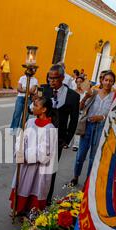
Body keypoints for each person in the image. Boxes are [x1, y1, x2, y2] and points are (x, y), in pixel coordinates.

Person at [10, 96, 57, 217]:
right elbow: (21, 139)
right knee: (22, 186)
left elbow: (44, 153)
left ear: (44, 109)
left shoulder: (50, 129)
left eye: (36, 105)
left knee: (35, 188)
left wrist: (25, 155)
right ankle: (19, 208)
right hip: (24, 164)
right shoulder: (30, 122)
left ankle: (31, 213)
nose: (32, 107)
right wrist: (19, 151)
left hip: (38, 169)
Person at [39, 64, 80, 204]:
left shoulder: (73, 96)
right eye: (50, 78)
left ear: (62, 78)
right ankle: (34, 197)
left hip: (59, 138)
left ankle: (46, 200)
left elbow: (74, 120)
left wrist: (67, 139)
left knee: (51, 170)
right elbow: (35, 110)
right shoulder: (44, 90)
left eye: (55, 78)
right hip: (41, 136)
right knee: (37, 166)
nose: (51, 81)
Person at [69, 70, 115, 187]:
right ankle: (75, 176)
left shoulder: (114, 97)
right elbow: (80, 107)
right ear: (102, 80)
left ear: (113, 83)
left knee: (93, 157)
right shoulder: (93, 92)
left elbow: (113, 115)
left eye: (111, 81)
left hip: (101, 128)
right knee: (81, 155)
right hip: (88, 126)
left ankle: (88, 182)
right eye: (106, 80)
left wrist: (102, 117)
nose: (108, 83)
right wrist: (85, 98)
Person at [70, 74, 91, 151]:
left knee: (78, 128)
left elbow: (86, 103)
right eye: (77, 82)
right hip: (72, 111)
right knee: (71, 127)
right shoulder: (72, 92)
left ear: (83, 83)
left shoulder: (85, 93)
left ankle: (76, 145)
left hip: (81, 112)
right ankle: (68, 142)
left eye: (80, 82)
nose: (79, 83)